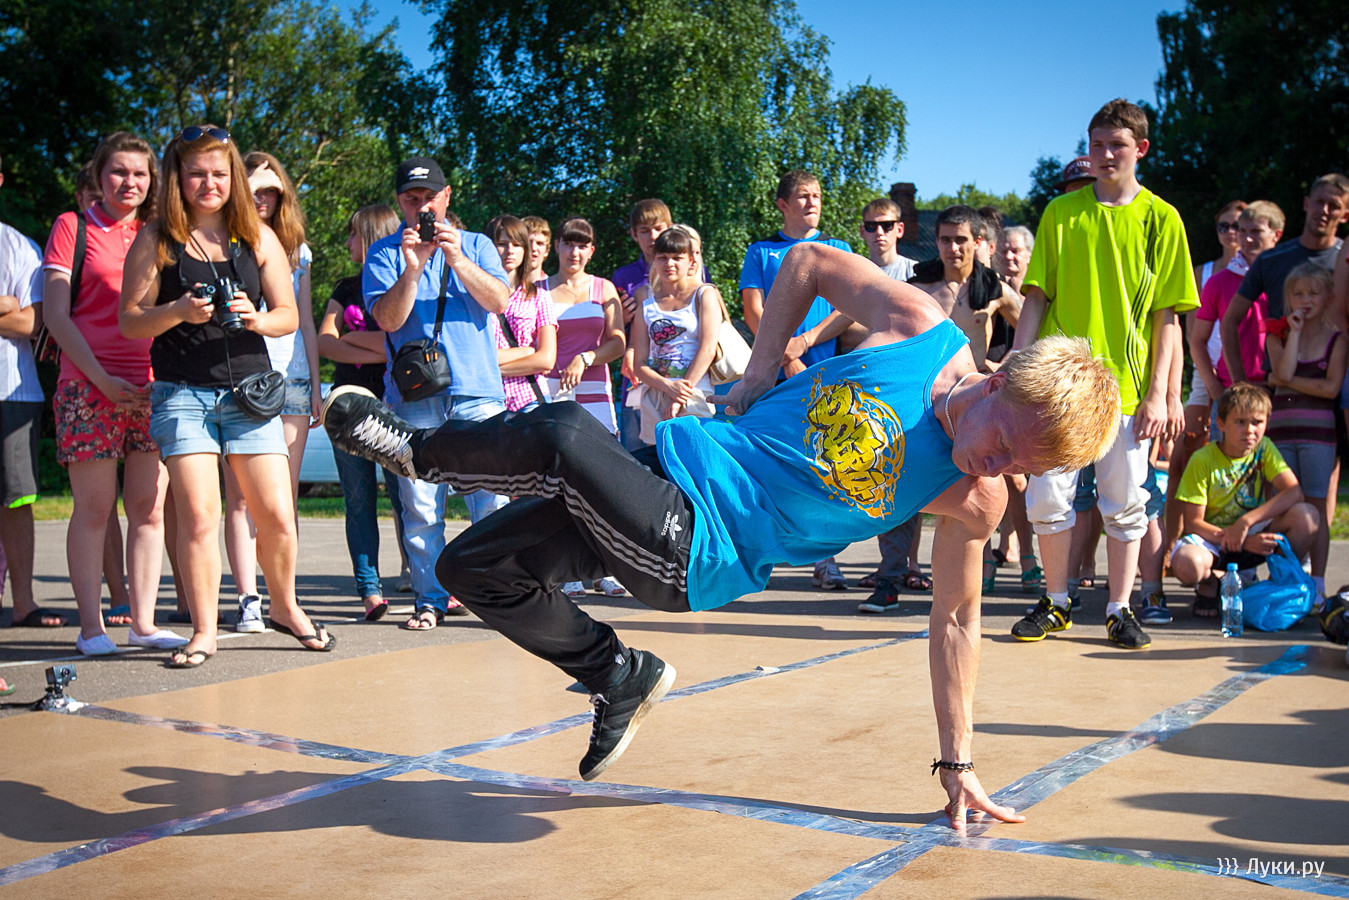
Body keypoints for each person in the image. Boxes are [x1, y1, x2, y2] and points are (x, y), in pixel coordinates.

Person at [320, 240, 1119, 826]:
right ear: (999, 378)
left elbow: (956, 622)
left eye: (1020, 467)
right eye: (1005, 444)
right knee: (473, 568)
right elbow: (807, 261)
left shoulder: (973, 497)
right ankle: (617, 674)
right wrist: (762, 366)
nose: (998, 469)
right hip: (663, 469)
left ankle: (418, 453)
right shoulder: (918, 327)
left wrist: (957, 763)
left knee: (561, 433)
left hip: (699, 549)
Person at [119, 123, 334, 667]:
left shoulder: (256, 236)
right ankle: (204, 631)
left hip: (250, 395)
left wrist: (255, 319)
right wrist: (177, 311)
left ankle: (285, 607)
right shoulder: (156, 237)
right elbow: (130, 321)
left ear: (233, 175)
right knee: (199, 516)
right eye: (196, 173)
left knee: (277, 515)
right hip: (182, 395)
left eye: (219, 173)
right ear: (178, 178)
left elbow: (289, 316)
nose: (209, 183)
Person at [1010, 99, 1195, 651]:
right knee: (1047, 496)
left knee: (1126, 501)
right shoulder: (1060, 213)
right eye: (1096, 145)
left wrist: (1163, 394)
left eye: (1117, 145)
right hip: (1062, 385)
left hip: (1126, 389)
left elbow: (1167, 317)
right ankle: (1056, 602)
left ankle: (1120, 608)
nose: (1105, 154)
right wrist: (1017, 364)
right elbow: (1037, 298)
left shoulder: (1162, 218)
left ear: (1141, 149)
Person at [41, 132, 186, 655]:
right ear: (99, 176)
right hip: (88, 387)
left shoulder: (162, 233)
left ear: (153, 181)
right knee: (94, 509)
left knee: (148, 508)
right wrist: (102, 380)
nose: (130, 182)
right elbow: (55, 315)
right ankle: (91, 629)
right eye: (119, 171)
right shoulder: (72, 226)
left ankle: (142, 624)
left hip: (151, 389)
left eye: (140, 173)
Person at [364, 156, 510, 631]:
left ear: (446, 197)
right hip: (413, 398)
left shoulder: (477, 244)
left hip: (476, 392)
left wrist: (456, 258)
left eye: (430, 197)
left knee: (491, 502)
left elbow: (499, 301)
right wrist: (413, 269)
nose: (422, 207)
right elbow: (387, 320)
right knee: (421, 506)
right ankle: (430, 599)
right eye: (412, 199)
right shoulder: (384, 253)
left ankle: (494, 596)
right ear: (399, 203)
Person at [740, 169, 855, 590]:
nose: (812, 203)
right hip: (773, 380)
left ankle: (825, 560)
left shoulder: (838, 249)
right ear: (783, 205)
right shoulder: (762, 251)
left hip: (824, 377)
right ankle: (759, 559)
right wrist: (783, 355)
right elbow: (753, 310)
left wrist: (804, 342)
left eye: (817, 196)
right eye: (803, 196)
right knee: (770, 466)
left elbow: (849, 308)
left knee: (823, 467)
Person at [220, 152, 319, 633]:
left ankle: (285, 596)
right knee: (239, 499)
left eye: (270, 191)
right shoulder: (224, 241)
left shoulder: (299, 250)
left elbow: (306, 323)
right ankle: (248, 599)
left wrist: (316, 384)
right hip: (240, 380)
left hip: (292, 382)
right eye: (252, 189)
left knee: (282, 502)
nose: (261, 199)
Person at [1166, 201, 1284, 556]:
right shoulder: (1217, 280)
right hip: (1232, 389)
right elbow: (1196, 339)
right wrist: (1218, 389)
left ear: (1276, 235)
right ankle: (1214, 562)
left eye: (1253, 231)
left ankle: (1274, 561)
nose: (1243, 238)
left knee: (1275, 476)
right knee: (1223, 476)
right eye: (1238, 230)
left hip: (1282, 388)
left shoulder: (1287, 276)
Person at [316, 204, 408, 620]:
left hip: (395, 404)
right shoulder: (346, 288)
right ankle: (369, 589)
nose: (348, 242)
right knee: (358, 500)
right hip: (348, 406)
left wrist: (354, 343)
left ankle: (422, 577)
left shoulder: (403, 289)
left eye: (353, 234)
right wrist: (379, 348)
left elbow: (401, 345)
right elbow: (325, 343)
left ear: (371, 237)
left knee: (408, 497)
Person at [1171, 383, 1316, 613]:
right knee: (1186, 563)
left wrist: (1246, 522)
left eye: (1257, 422)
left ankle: (1274, 587)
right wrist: (1240, 539)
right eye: (1240, 422)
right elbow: (1193, 523)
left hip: (1252, 533)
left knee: (1307, 516)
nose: (1249, 430)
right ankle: (1211, 584)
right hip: (1213, 540)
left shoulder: (1264, 448)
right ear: (1221, 424)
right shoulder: (1202, 459)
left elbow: (1293, 492)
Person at [546, 217, 629, 600]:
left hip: (595, 390)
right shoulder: (539, 288)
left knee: (600, 482)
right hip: (550, 391)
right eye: (568, 243)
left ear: (592, 250)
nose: (574, 252)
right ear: (557, 246)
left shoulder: (603, 288)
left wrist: (587, 356)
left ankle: (603, 569)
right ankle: (567, 571)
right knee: (556, 485)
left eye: (583, 245)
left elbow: (618, 342)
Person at [853, 198, 926, 614]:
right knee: (883, 485)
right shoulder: (856, 275)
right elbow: (842, 327)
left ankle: (901, 572)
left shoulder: (918, 274)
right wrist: (804, 343)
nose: (878, 232)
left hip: (913, 392)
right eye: (870, 225)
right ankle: (892, 571)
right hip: (868, 395)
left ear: (900, 228)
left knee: (912, 484)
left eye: (885, 225)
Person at [1264, 262, 1345, 602]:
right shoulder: (1277, 334)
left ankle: (1319, 582)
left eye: (1314, 293)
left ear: (1328, 298)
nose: (1306, 300)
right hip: (1280, 433)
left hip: (1319, 435)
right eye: (1298, 294)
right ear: (1288, 298)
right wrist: (1294, 334)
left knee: (1317, 505)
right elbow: (1281, 372)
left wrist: (1284, 381)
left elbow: (1330, 388)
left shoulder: (1337, 340)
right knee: (1281, 504)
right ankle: (1283, 580)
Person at [0, 153, 58, 629]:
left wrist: (16, 311)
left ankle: (23, 603)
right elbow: (12, 316)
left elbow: (32, 323)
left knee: (16, 500)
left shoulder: (20, 247)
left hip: (13, 392)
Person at [1222, 175, 1349, 381]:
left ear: (1345, 215)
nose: (1324, 210)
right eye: (1319, 201)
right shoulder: (1271, 259)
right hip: (1281, 383)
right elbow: (1230, 320)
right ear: (1306, 204)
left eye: (1333, 205)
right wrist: (1240, 383)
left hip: (1334, 381)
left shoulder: (1345, 260)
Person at [626, 225, 720, 443]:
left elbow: (708, 349)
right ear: (654, 261)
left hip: (695, 393)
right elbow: (639, 364)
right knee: (656, 459)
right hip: (655, 397)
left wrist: (679, 396)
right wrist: (667, 386)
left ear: (691, 261)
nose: (669, 264)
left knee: (694, 457)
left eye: (677, 258)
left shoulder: (704, 294)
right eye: (663, 257)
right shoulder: (647, 305)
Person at [612, 200, 672, 451]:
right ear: (634, 234)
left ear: (670, 227)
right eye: (645, 231)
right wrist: (624, 320)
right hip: (637, 380)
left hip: (680, 377)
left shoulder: (691, 271)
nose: (653, 236)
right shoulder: (623, 278)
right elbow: (612, 332)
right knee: (635, 459)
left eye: (658, 228)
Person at [491, 216, 557, 413]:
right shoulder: (475, 298)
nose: (510, 250)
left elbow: (546, 359)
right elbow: (473, 357)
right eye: (502, 244)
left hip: (530, 399)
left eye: (517, 244)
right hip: (488, 400)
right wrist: (526, 352)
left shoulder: (539, 297)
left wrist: (493, 369)